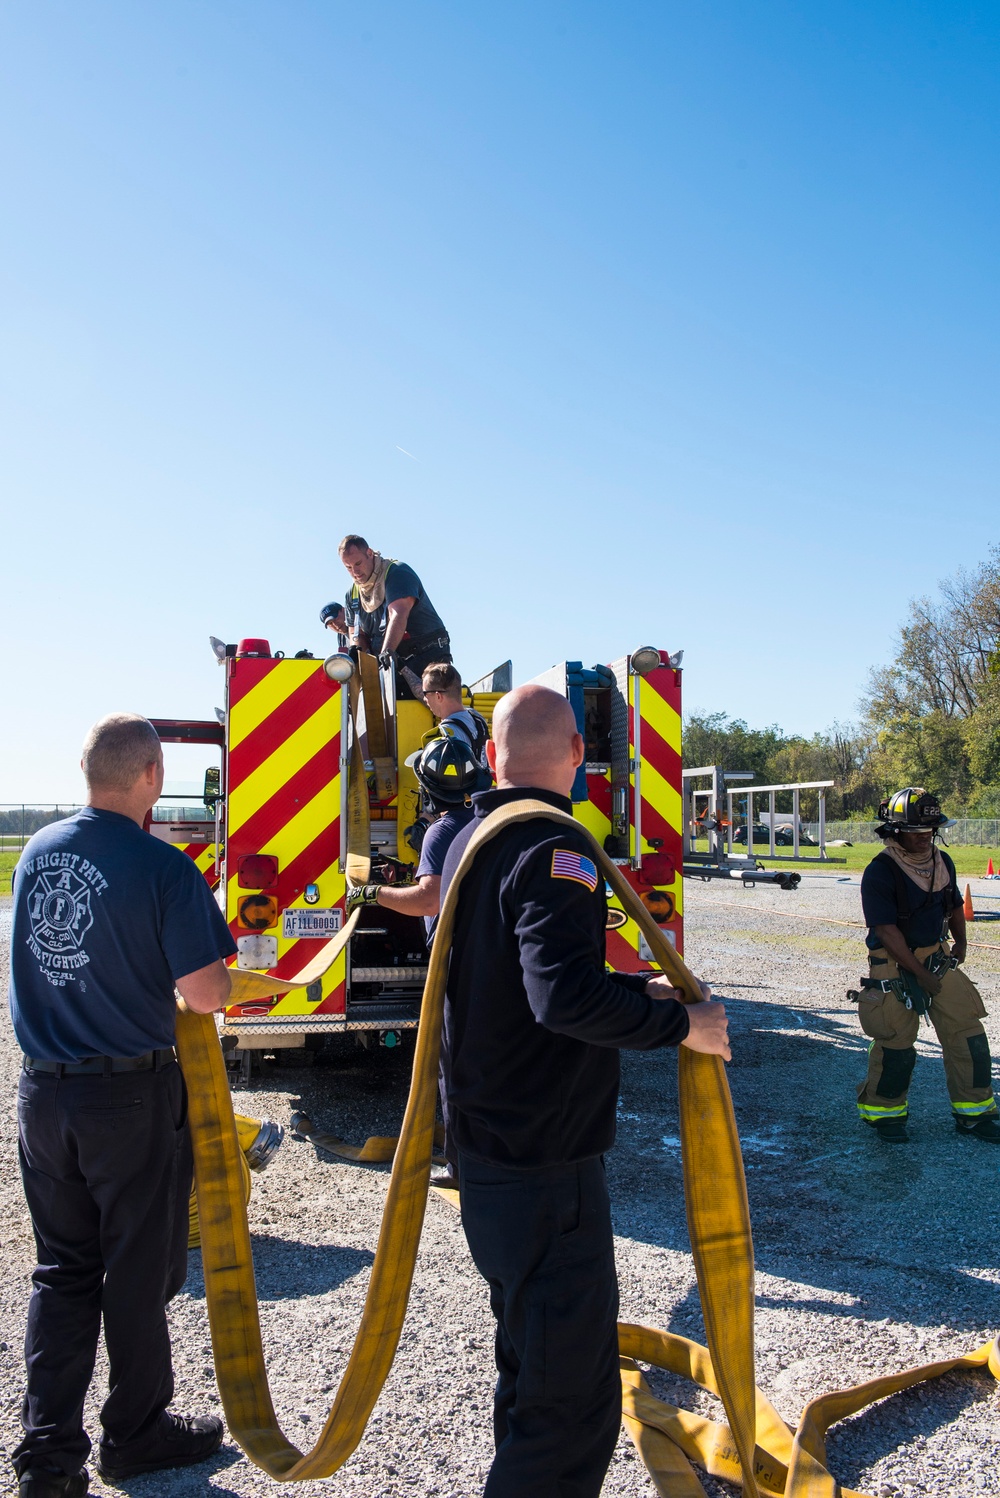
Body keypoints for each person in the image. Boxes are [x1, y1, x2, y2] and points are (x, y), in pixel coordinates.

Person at [436, 684, 730, 1498]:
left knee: (531, 1370)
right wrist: (683, 1028)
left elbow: (513, 980)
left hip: (489, 1152)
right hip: (543, 1166)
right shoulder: (555, 850)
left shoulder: (470, 839)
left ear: (492, 757)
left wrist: (642, 1000)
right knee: (572, 1409)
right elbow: (559, 998)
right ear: (576, 756)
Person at [8, 714, 238, 1498]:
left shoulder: (36, 855)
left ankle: (48, 1461)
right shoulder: (162, 868)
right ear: (151, 775)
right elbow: (205, 994)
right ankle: (137, 1434)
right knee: (138, 1274)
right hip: (128, 1099)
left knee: (63, 1271)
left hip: (44, 1095)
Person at [347, 736, 491, 1190]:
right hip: (491, 954)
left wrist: (373, 893)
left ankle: (462, 1166)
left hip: (458, 962)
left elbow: (430, 898)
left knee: (456, 1065)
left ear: (426, 788)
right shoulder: (485, 820)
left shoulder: (441, 831)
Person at [854, 786, 999, 1145]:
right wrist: (920, 977)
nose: (924, 839)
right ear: (895, 831)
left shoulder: (941, 862)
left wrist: (961, 944)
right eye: (916, 832)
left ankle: (975, 1113)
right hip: (894, 962)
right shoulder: (880, 871)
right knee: (896, 1043)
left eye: (929, 832)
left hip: (937, 957)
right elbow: (886, 931)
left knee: (969, 1036)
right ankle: (886, 1115)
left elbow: (952, 907)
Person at [319, 534, 451, 698]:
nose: (355, 572)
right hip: (392, 665)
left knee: (435, 706)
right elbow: (356, 633)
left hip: (426, 659)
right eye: (348, 567)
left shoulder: (397, 573)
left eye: (358, 563)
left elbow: (398, 615)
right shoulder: (352, 594)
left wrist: (385, 654)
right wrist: (357, 650)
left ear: (369, 553)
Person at [420, 661, 490, 766]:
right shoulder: (478, 718)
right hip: (486, 781)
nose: (424, 699)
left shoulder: (447, 733)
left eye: (425, 694)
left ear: (438, 696)